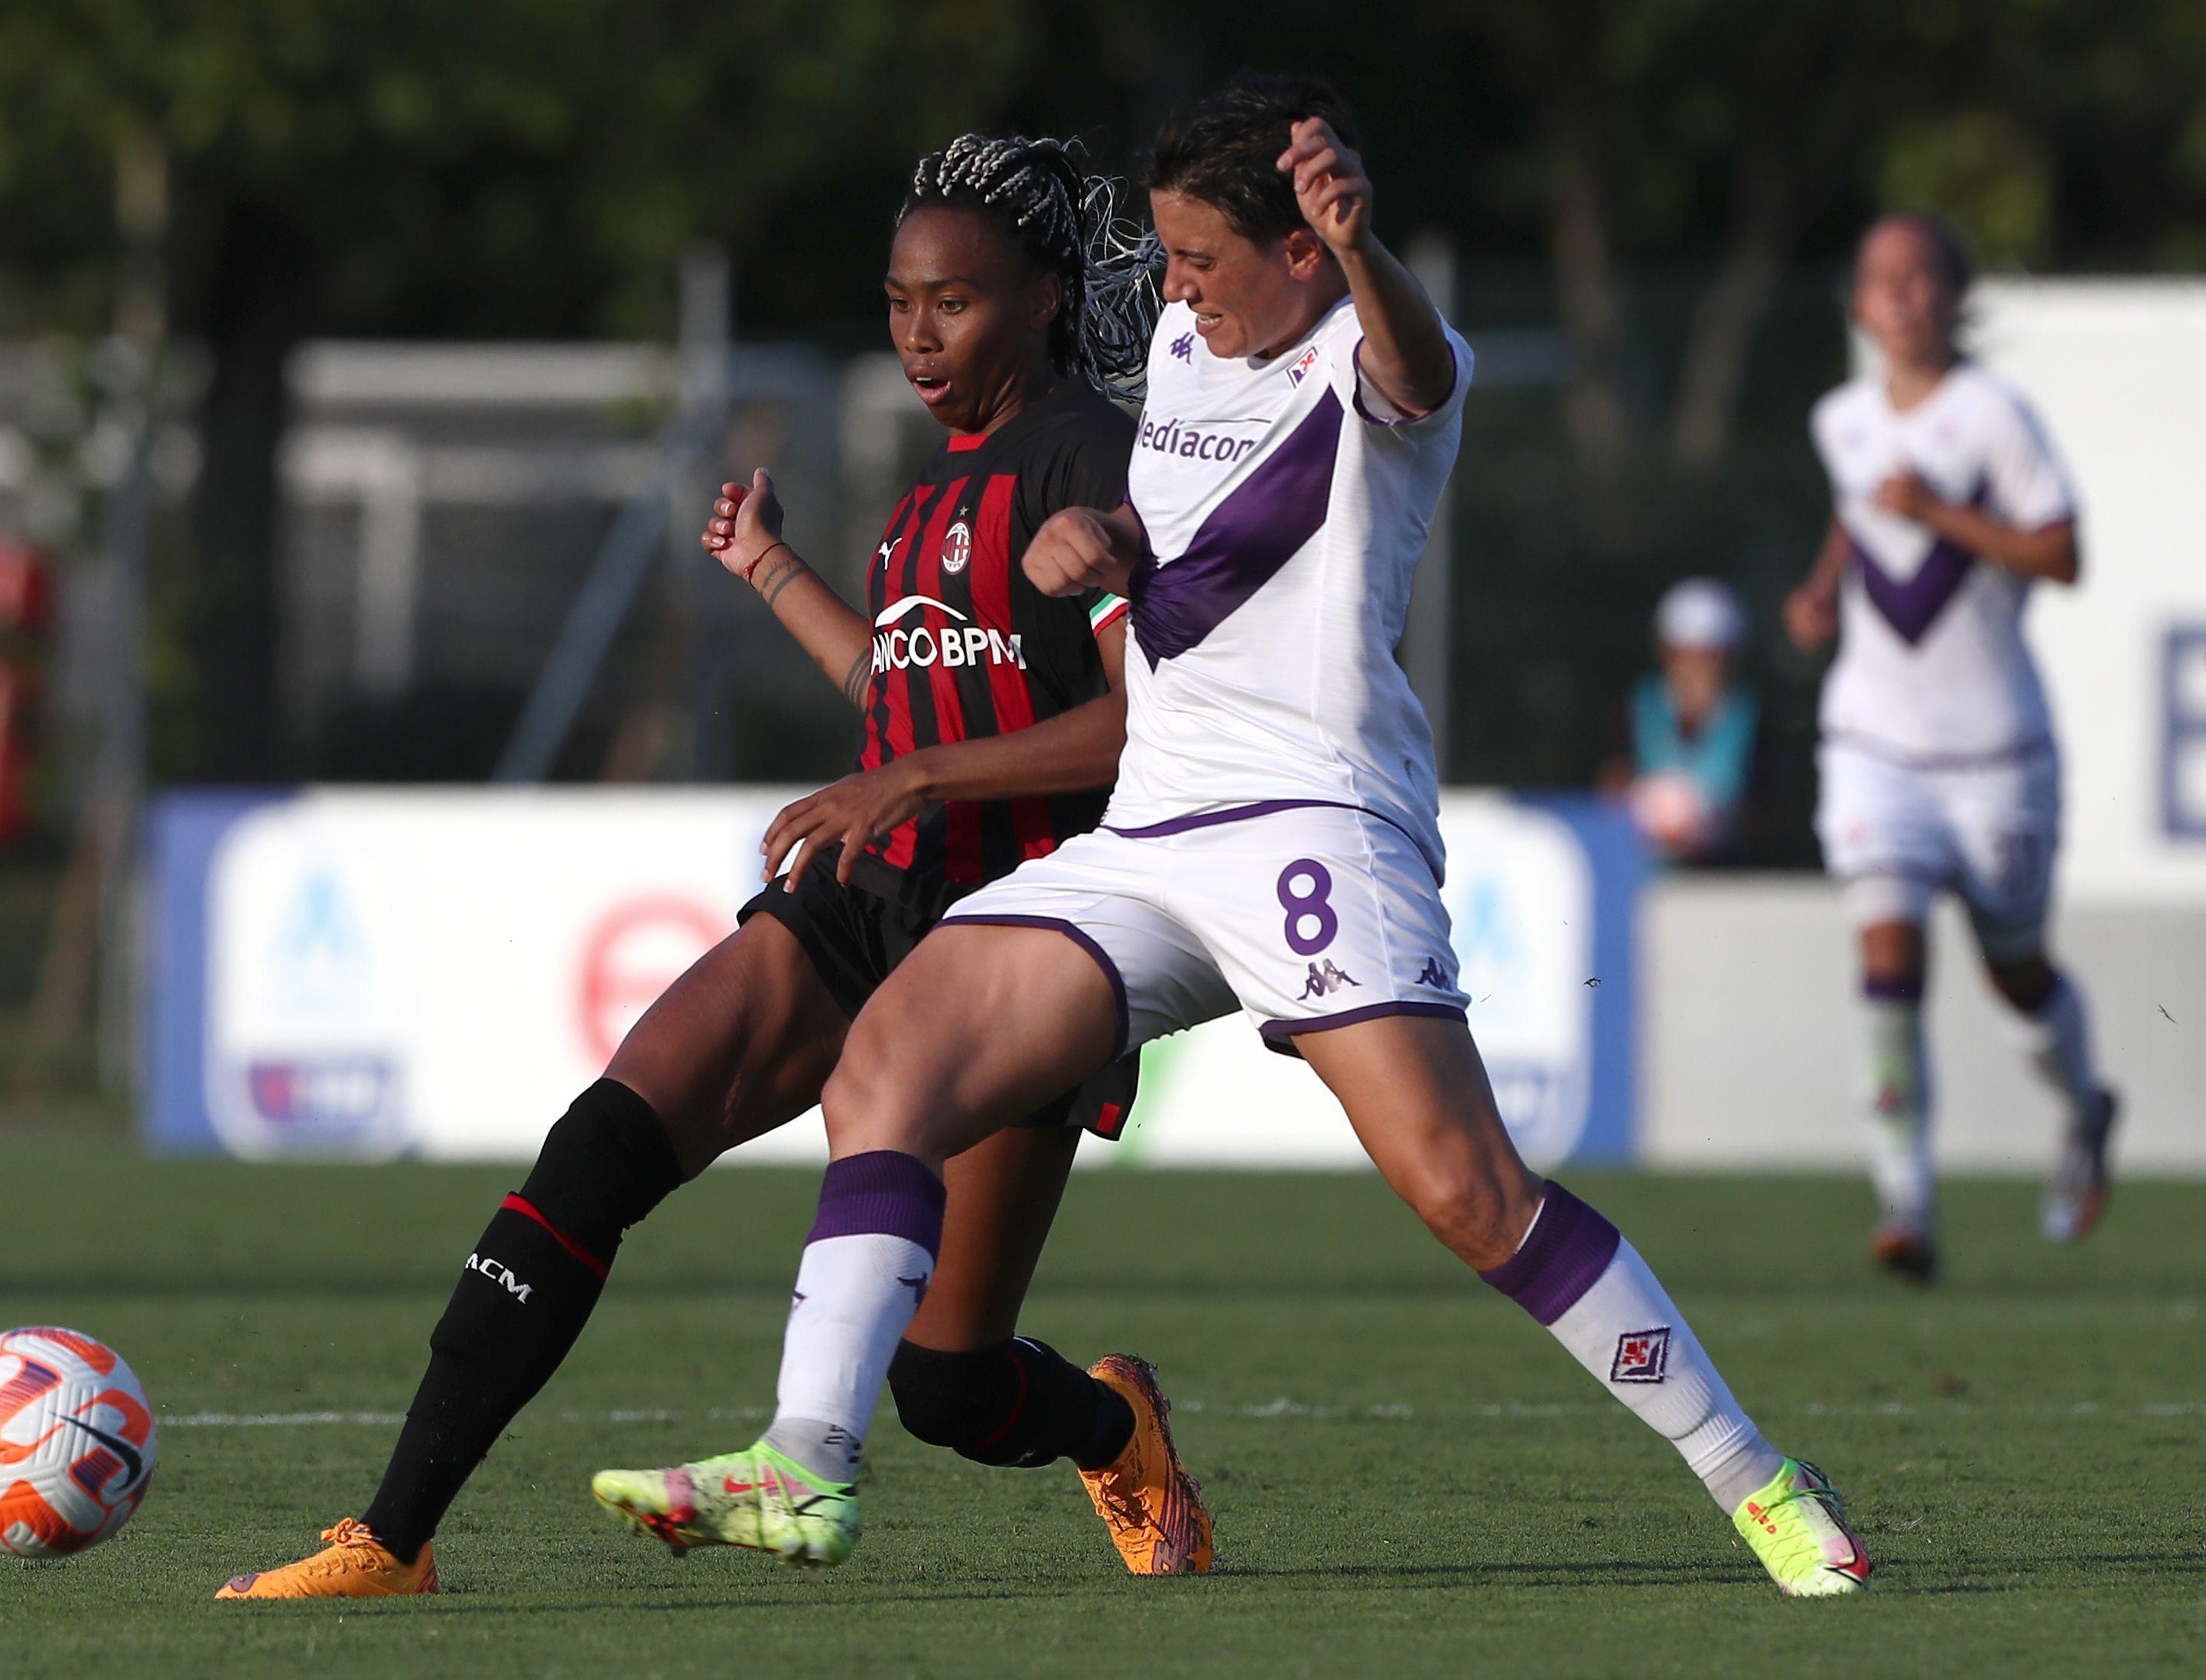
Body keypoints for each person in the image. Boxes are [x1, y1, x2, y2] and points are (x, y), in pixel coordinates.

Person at [594, 75, 1871, 1599]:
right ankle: (806, 1462)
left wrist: (1363, 243)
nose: (1174, 288)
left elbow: (1409, 364)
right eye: (1169, 252)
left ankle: (1757, 1480)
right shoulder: (1191, 356)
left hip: (1312, 818)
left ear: (1305, 250)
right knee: (890, 1068)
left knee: (1467, 1191)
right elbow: (1174, 548)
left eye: (1202, 257)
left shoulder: (1381, 346)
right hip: (1153, 829)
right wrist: (1104, 547)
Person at [217, 133, 1215, 1600]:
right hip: (861, 906)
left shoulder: (1093, 464)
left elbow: (1141, 733)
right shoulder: (928, 492)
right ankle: (392, 1537)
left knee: (945, 1388)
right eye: (895, 302)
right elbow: (902, 692)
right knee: (600, 1147)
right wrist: (770, 574)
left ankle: (1113, 1426)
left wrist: (914, 775)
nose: (917, 337)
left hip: (1020, 946)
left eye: (953, 302)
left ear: (1049, 298)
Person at [1782, 211, 2117, 1284]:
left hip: (1995, 754)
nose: (1901, 296)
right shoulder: (1838, 417)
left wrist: (1937, 512)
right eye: (1882, 279)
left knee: (2014, 974)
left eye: (1922, 279)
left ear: (1951, 297)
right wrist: (1822, 587)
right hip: (1873, 742)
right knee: (1886, 955)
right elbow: (1855, 511)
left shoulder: (1993, 418)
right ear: (1856, 304)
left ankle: (2086, 1106)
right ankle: (1905, 1204)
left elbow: (2060, 555)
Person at [1601, 578, 1762, 864]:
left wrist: (1708, 827)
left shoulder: (1753, 721)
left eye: (1709, 657)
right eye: (1685, 655)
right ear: (1666, 655)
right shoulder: (1635, 709)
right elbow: (1611, 786)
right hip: (1644, 872)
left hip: (1727, 877)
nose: (1696, 670)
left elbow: (1765, 816)